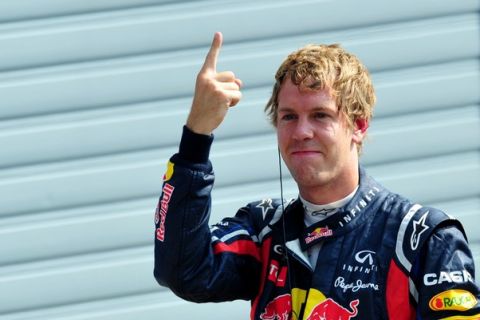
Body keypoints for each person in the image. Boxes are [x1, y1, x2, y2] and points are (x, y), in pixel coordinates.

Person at [153, 32, 480, 319]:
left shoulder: (423, 238)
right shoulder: (263, 228)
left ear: (359, 125)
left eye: (320, 115)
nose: (301, 132)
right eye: (289, 117)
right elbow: (182, 271)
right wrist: (197, 135)